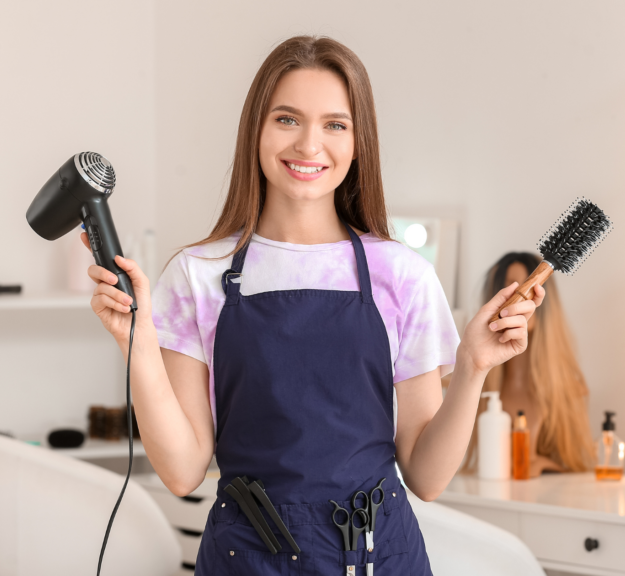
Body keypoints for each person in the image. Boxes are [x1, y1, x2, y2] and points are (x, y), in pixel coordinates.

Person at [81, 36, 543, 575]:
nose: (308, 144)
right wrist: (133, 343)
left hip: (378, 556)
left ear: (358, 141)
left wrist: (472, 367)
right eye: (286, 119)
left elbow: (427, 476)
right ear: (256, 128)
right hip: (247, 557)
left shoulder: (402, 274)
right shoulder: (197, 274)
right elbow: (183, 472)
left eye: (335, 124)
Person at [461, 252, 596, 478]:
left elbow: (577, 464)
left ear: (544, 298)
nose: (519, 301)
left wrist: (539, 462)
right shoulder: (473, 389)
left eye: (526, 289)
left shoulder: (571, 390)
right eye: (507, 291)